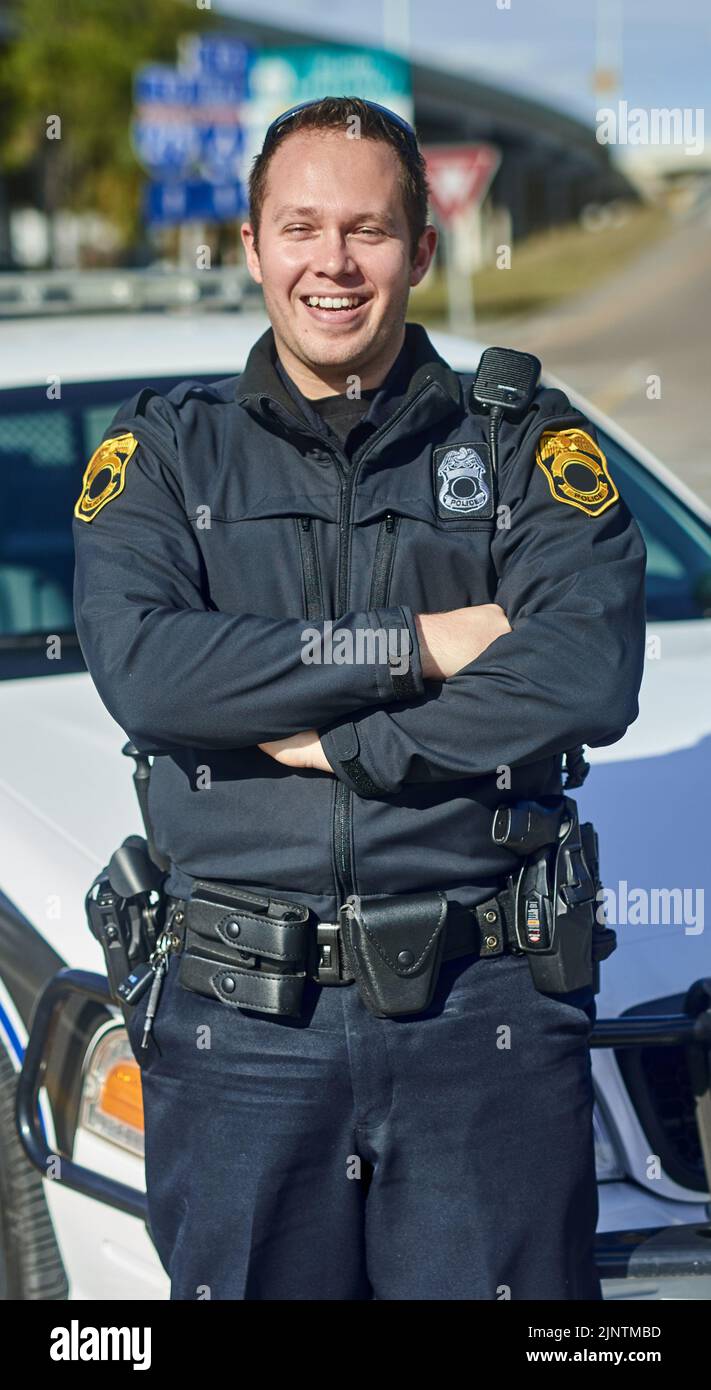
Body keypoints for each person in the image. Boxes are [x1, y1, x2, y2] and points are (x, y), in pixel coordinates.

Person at [72, 95, 647, 1301]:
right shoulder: (169, 454)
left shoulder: (522, 448)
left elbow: (586, 670)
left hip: (479, 1019)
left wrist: (354, 745)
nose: (333, 264)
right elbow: (149, 670)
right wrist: (423, 641)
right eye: (301, 228)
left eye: (369, 232)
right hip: (242, 1030)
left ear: (422, 250)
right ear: (252, 246)